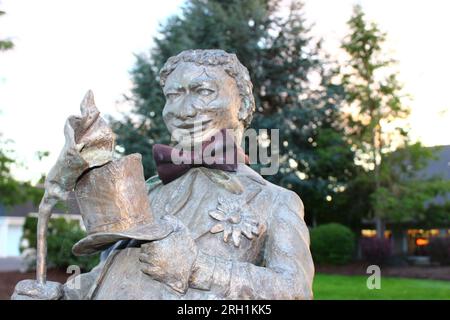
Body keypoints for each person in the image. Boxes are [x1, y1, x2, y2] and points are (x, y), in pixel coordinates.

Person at [13, 49, 314, 300]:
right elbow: (117, 272)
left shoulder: (274, 202)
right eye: (173, 95)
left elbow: (294, 291)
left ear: (244, 105)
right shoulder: (146, 193)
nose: (183, 110)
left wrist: (199, 268)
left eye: (203, 91)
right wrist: (65, 295)